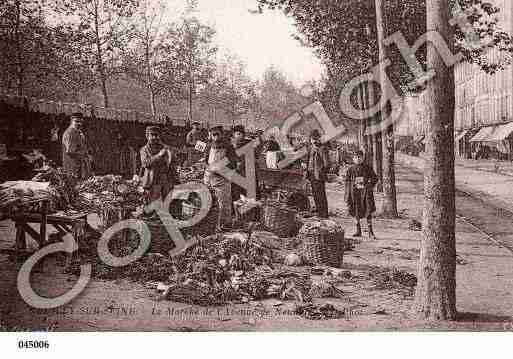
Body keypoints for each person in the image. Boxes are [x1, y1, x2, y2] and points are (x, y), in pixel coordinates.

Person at [202, 126, 238, 231]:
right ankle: (210, 225)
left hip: (222, 180)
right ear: (211, 136)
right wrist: (208, 167)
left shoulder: (229, 147)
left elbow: (234, 164)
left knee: (223, 204)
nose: (216, 137)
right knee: (209, 203)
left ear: (222, 134)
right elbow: (204, 161)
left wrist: (221, 169)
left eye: (218, 134)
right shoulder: (209, 147)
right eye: (214, 135)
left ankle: (224, 225)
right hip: (209, 178)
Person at [140, 126, 177, 214]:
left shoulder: (164, 147)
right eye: (152, 135)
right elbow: (145, 163)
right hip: (153, 180)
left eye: (156, 135)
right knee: (153, 202)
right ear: (147, 136)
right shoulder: (144, 150)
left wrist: (171, 154)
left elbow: (172, 161)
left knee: (167, 201)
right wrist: (159, 156)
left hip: (165, 178)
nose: (154, 137)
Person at [345, 149, 379, 239]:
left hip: (365, 193)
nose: (358, 159)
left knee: (368, 210)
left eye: (360, 157)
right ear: (353, 159)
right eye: (356, 157)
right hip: (355, 193)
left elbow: (375, 178)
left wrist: (369, 185)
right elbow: (347, 182)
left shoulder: (368, 168)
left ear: (363, 158)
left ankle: (370, 231)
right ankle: (358, 230)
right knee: (355, 211)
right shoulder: (350, 169)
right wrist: (349, 192)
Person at [303, 129, 330, 219]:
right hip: (311, 174)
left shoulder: (322, 149)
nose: (314, 141)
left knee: (321, 195)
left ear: (319, 139)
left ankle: (324, 214)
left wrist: (321, 172)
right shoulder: (310, 148)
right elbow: (307, 161)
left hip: (318, 175)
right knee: (315, 194)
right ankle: (319, 213)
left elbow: (327, 164)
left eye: (315, 138)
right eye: (312, 139)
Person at [62, 113, 91, 181]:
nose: (79, 124)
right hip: (72, 167)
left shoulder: (78, 132)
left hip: (79, 167)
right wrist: (84, 154)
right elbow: (70, 151)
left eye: (81, 122)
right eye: (76, 121)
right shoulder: (70, 133)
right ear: (71, 121)